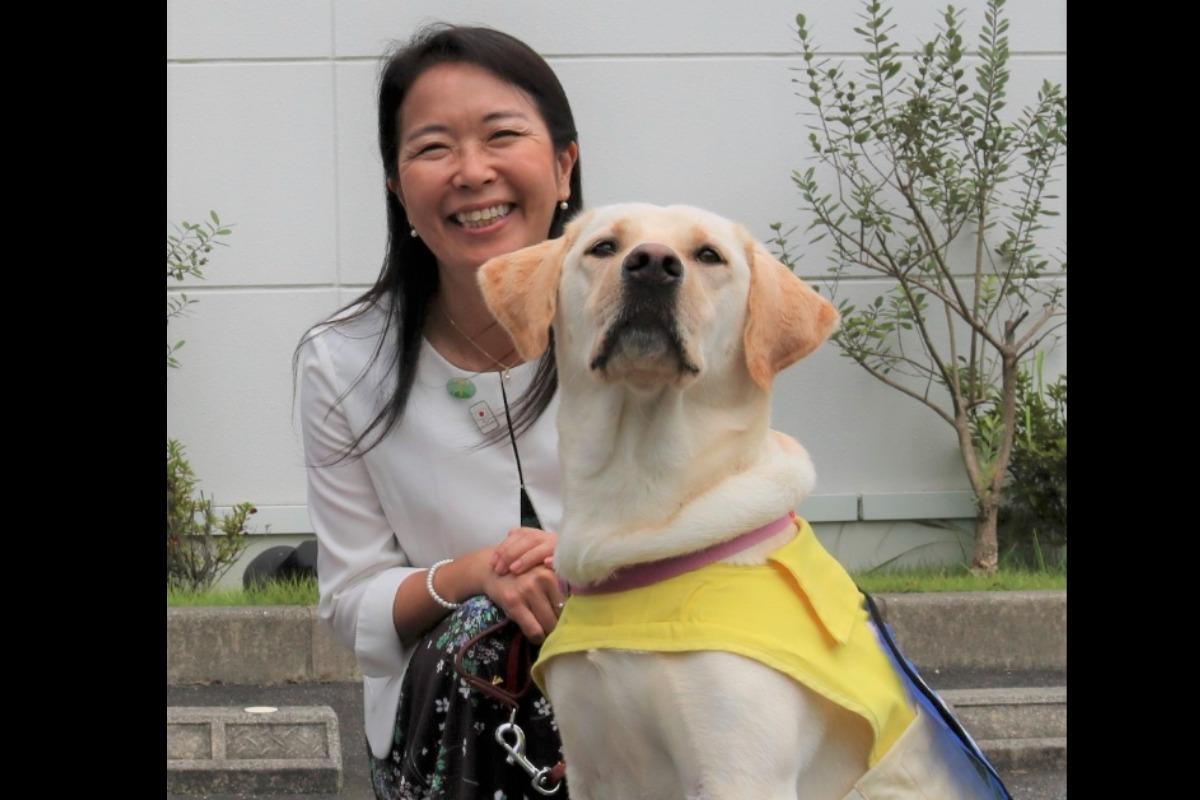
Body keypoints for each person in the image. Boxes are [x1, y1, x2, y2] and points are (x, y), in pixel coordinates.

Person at [294, 24, 582, 800]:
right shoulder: (345, 363)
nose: (472, 172)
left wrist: (582, 561)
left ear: (563, 164)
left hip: (648, 691)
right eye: (432, 148)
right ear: (396, 184)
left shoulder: (642, 318)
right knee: (484, 633)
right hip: (456, 734)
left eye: (502, 135)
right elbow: (353, 604)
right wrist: (477, 574)